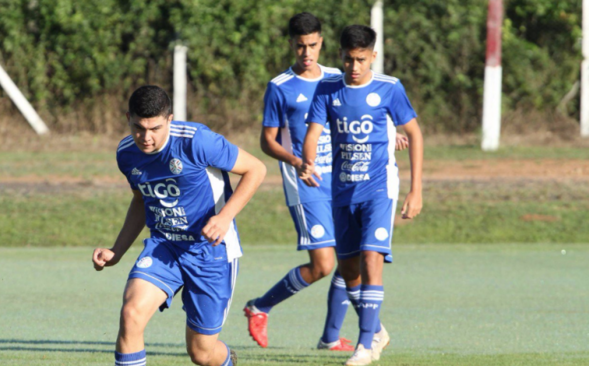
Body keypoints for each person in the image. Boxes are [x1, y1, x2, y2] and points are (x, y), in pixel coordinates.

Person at [243, 13, 408, 352]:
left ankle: (331, 337)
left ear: (322, 44)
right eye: (301, 46)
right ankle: (261, 306)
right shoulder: (280, 87)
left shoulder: (337, 77)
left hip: (346, 179)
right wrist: (296, 161)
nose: (307, 53)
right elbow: (266, 141)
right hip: (306, 184)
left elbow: (361, 118)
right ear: (292, 45)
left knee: (350, 256)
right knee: (324, 264)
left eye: (313, 45)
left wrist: (390, 136)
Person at [92, 85, 266, 366]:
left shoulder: (197, 141)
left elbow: (256, 169)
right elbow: (141, 200)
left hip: (211, 251)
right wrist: (117, 251)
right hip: (164, 246)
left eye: (155, 128)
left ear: (170, 120)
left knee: (201, 354)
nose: (146, 138)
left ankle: (227, 360)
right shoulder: (127, 153)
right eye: (138, 127)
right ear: (128, 118)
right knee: (131, 315)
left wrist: (224, 218)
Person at [299, 25, 423, 366]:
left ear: (373, 57)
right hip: (342, 190)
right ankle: (377, 330)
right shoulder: (326, 89)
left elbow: (414, 133)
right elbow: (313, 133)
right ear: (339, 56)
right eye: (349, 60)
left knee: (372, 260)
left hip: (379, 188)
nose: (354, 67)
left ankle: (365, 345)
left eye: (361, 60)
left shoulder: (389, 88)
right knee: (349, 270)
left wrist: (416, 189)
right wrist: (307, 163)